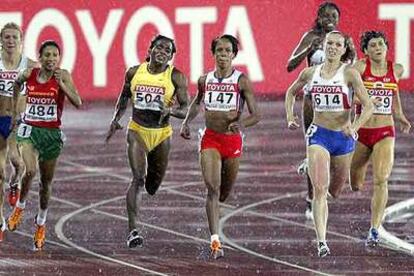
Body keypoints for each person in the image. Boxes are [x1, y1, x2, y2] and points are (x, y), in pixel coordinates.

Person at [285, 31, 374, 257]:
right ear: (323, 47)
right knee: (320, 190)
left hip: (343, 139)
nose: (333, 47)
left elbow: (369, 106)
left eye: (337, 45)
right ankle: (322, 241)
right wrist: (289, 116)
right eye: (329, 44)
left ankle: (310, 164)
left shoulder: (350, 74)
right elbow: (290, 92)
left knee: (335, 191)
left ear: (344, 49)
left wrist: (354, 127)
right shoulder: (310, 73)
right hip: (319, 135)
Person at [180, 34, 261, 259]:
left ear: (234, 55)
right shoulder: (205, 80)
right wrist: (186, 122)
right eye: (219, 51)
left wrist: (240, 123)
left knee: (224, 193)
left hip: (232, 141)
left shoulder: (241, 81)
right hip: (210, 139)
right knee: (212, 189)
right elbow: (197, 101)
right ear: (213, 54)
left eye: (227, 51)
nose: (223, 55)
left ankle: (216, 210)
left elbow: (257, 115)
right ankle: (215, 241)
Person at [105, 35, 189, 248]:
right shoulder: (134, 72)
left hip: (161, 134)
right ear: (150, 49)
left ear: (171, 57)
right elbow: (124, 97)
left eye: (167, 50)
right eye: (159, 47)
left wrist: (169, 110)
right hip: (137, 130)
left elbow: (185, 108)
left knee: (153, 185)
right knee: (138, 178)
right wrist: (116, 119)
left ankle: (149, 187)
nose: (162, 52)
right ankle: (133, 230)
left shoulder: (176, 77)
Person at [7, 40, 82, 251]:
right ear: (40, 58)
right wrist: (15, 112)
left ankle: (40, 223)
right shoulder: (29, 74)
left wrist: (63, 86)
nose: (51, 59)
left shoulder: (63, 75)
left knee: (45, 185)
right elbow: (15, 85)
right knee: (29, 170)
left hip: (51, 134)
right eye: (47, 55)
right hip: (29, 130)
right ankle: (19, 208)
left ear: (59, 58)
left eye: (54, 55)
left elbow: (78, 102)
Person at [286, 2, 355, 219]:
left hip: (339, 102)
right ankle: (312, 198)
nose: (330, 19)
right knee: (313, 146)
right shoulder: (311, 37)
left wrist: (351, 52)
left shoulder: (343, 41)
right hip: (313, 100)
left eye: (334, 15)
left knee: (337, 156)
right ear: (318, 16)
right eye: (326, 15)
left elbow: (354, 69)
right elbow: (290, 65)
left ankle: (321, 187)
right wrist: (309, 48)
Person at [350, 31, 411, 247]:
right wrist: (366, 99)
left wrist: (400, 115)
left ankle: (374, 229)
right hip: (361, 132)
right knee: (355, 183)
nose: (378, 48)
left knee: (381, 179)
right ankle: (361, 168)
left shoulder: (396, 69)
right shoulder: (358, 68)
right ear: (365, 51)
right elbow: (348, 94)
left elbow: (394, 93)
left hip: (385, 130)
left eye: (381, 45)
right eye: (373, 45)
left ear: (386, 48)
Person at [0, 22, 37, 241]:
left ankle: (15, 183)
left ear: (21, 40)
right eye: (6, 37)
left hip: (17, 122)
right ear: (1, 40)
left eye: (14, 37)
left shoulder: (29, 66)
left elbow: (45, 83)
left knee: (18, 164)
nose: (11, 41)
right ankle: (0, 220)